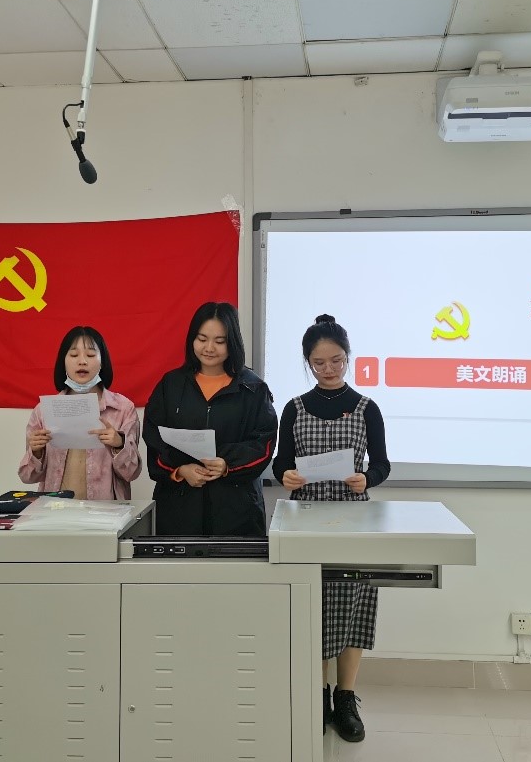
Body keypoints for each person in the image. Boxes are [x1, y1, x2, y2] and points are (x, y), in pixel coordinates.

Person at [272, 314, 390, 743]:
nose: (328, 369)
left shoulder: (366, 407)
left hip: (353, 518)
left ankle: (345, 697)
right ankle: (317, 694)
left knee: (353, 606)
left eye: (336, 360)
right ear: (308, 362)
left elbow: (382, 464)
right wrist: (286, 475)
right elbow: (281, 463)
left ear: (347, 357)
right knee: (314, 605)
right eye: (319, 363)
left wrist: (367, 478)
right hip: (306, 518)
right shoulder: (295, 407)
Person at [142, 302, 277, 537]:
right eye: (202, 339)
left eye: (220, 341)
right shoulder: (171, 385)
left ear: (232, 342)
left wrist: (227, 464)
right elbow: (153, 436)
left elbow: (264, 443)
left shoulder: (253, 388)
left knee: (235, 562)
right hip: (180, 508)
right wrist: (180, 470)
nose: (209, 348)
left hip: (237, 511)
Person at [18, 326, 141, 499]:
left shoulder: (122, 409)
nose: (82, 361)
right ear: (63, 362)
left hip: (105, 512)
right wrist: (36, 452)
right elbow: (27, 476)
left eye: (90, 355)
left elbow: (132, 473)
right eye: (74, 355)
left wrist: (119, 444)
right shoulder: (44, 411)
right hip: (55, 510)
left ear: (102, 361)